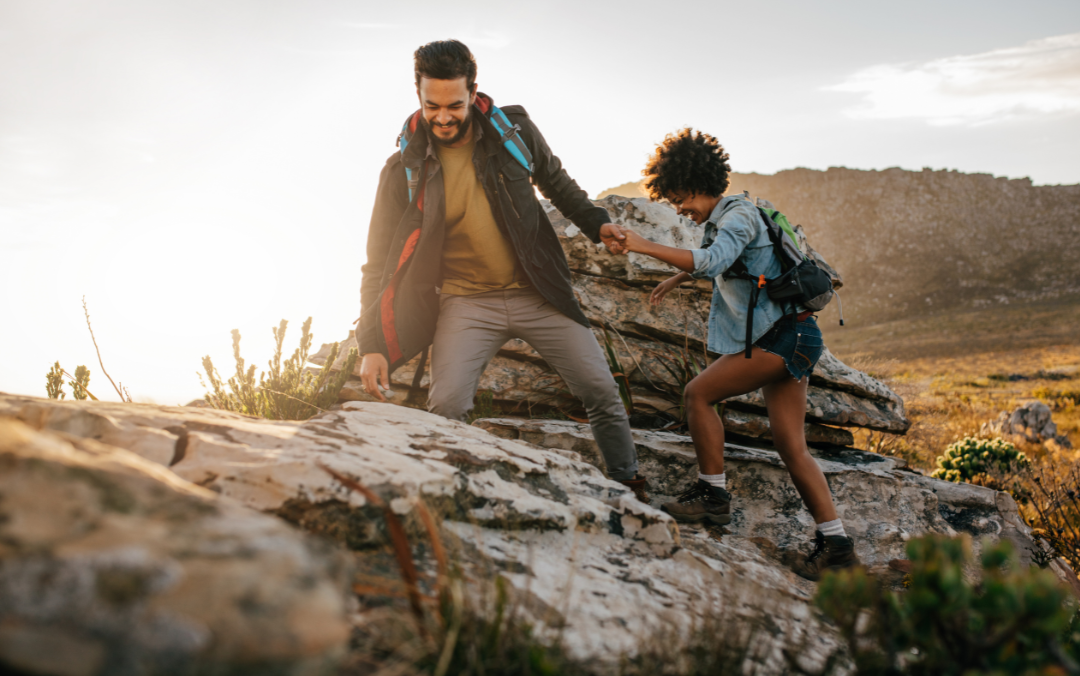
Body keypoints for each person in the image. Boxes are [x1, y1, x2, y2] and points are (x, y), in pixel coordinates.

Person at [357, 40, 649, 501]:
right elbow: (377, 262)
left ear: (473, 92)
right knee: (447, 405)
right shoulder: (401, 169)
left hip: (538, 292)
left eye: (455, 104)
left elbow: (557, 182)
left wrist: (598, 225)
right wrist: (371, 343)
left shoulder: (513, 132)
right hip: (465, 301)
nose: (443, 116)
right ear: (418, 95)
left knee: (599, 388)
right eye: (432, 105)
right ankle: (450, 497)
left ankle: (629, 485)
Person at [609, 128, 860, 580]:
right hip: (796, 335)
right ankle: (838, 544)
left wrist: (645, 246)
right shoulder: (732, 215)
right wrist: (674, 280)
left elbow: (713, 260)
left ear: (697, 182)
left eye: (679, 197)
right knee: (791, 446)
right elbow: (720, 256)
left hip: (781, 338)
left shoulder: (738, 216)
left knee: (698, 395)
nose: (678, 207)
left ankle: (713, 496)